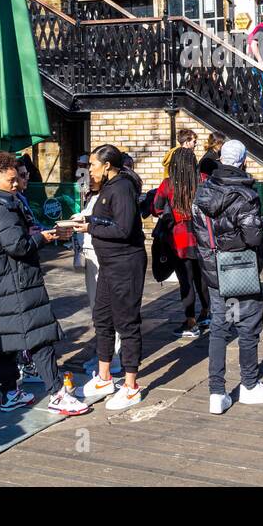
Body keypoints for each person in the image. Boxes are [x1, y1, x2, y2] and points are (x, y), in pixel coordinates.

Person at [0, 152, 87, 415]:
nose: (16, 184)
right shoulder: (5, 208)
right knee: (39, 338)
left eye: (17, 178)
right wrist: (43, 238)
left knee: (6, 342)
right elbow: (17, 246)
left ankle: (9, 394)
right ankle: (57, 393)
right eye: (11, 180)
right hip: (15, 283)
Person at [192, 138, 263, 413]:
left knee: (219, 328)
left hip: (213, 269)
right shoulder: (246, 195)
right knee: (248, 325)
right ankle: (250, 385)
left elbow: (201, 234)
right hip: (240, 269)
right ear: (243, 161)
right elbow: (252, 236)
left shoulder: (202, 192)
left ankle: (216, 392)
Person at [71, 145, 148, 411]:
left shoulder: (122, 187)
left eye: (92, 164)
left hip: (125, 264)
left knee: (126, 323)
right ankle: (104, 378)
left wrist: (91, 227)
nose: (88, 168)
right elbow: (107, 219)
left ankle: (130, 385)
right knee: (102, 318)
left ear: (107, 165)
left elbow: (124, 228)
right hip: (107, 264)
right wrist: (86, 219)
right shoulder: (107, 187)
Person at [152, 147, 210, 338]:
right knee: (202, 278)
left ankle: (190, 321)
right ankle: (206, 313)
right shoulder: (202, 180)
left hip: (178, 240)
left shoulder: (168, 184)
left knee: (186, 281)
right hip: (202, 238)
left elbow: (157, 208)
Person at [74, 166, 121, 376]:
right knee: (97, 309)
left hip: (102, 255)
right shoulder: (93, 196)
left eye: (91, 172)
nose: (88, 177)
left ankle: (114, 357)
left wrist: (85, 222)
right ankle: (104, 353)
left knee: (107, 308)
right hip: (91, 254)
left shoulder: (109, 195)